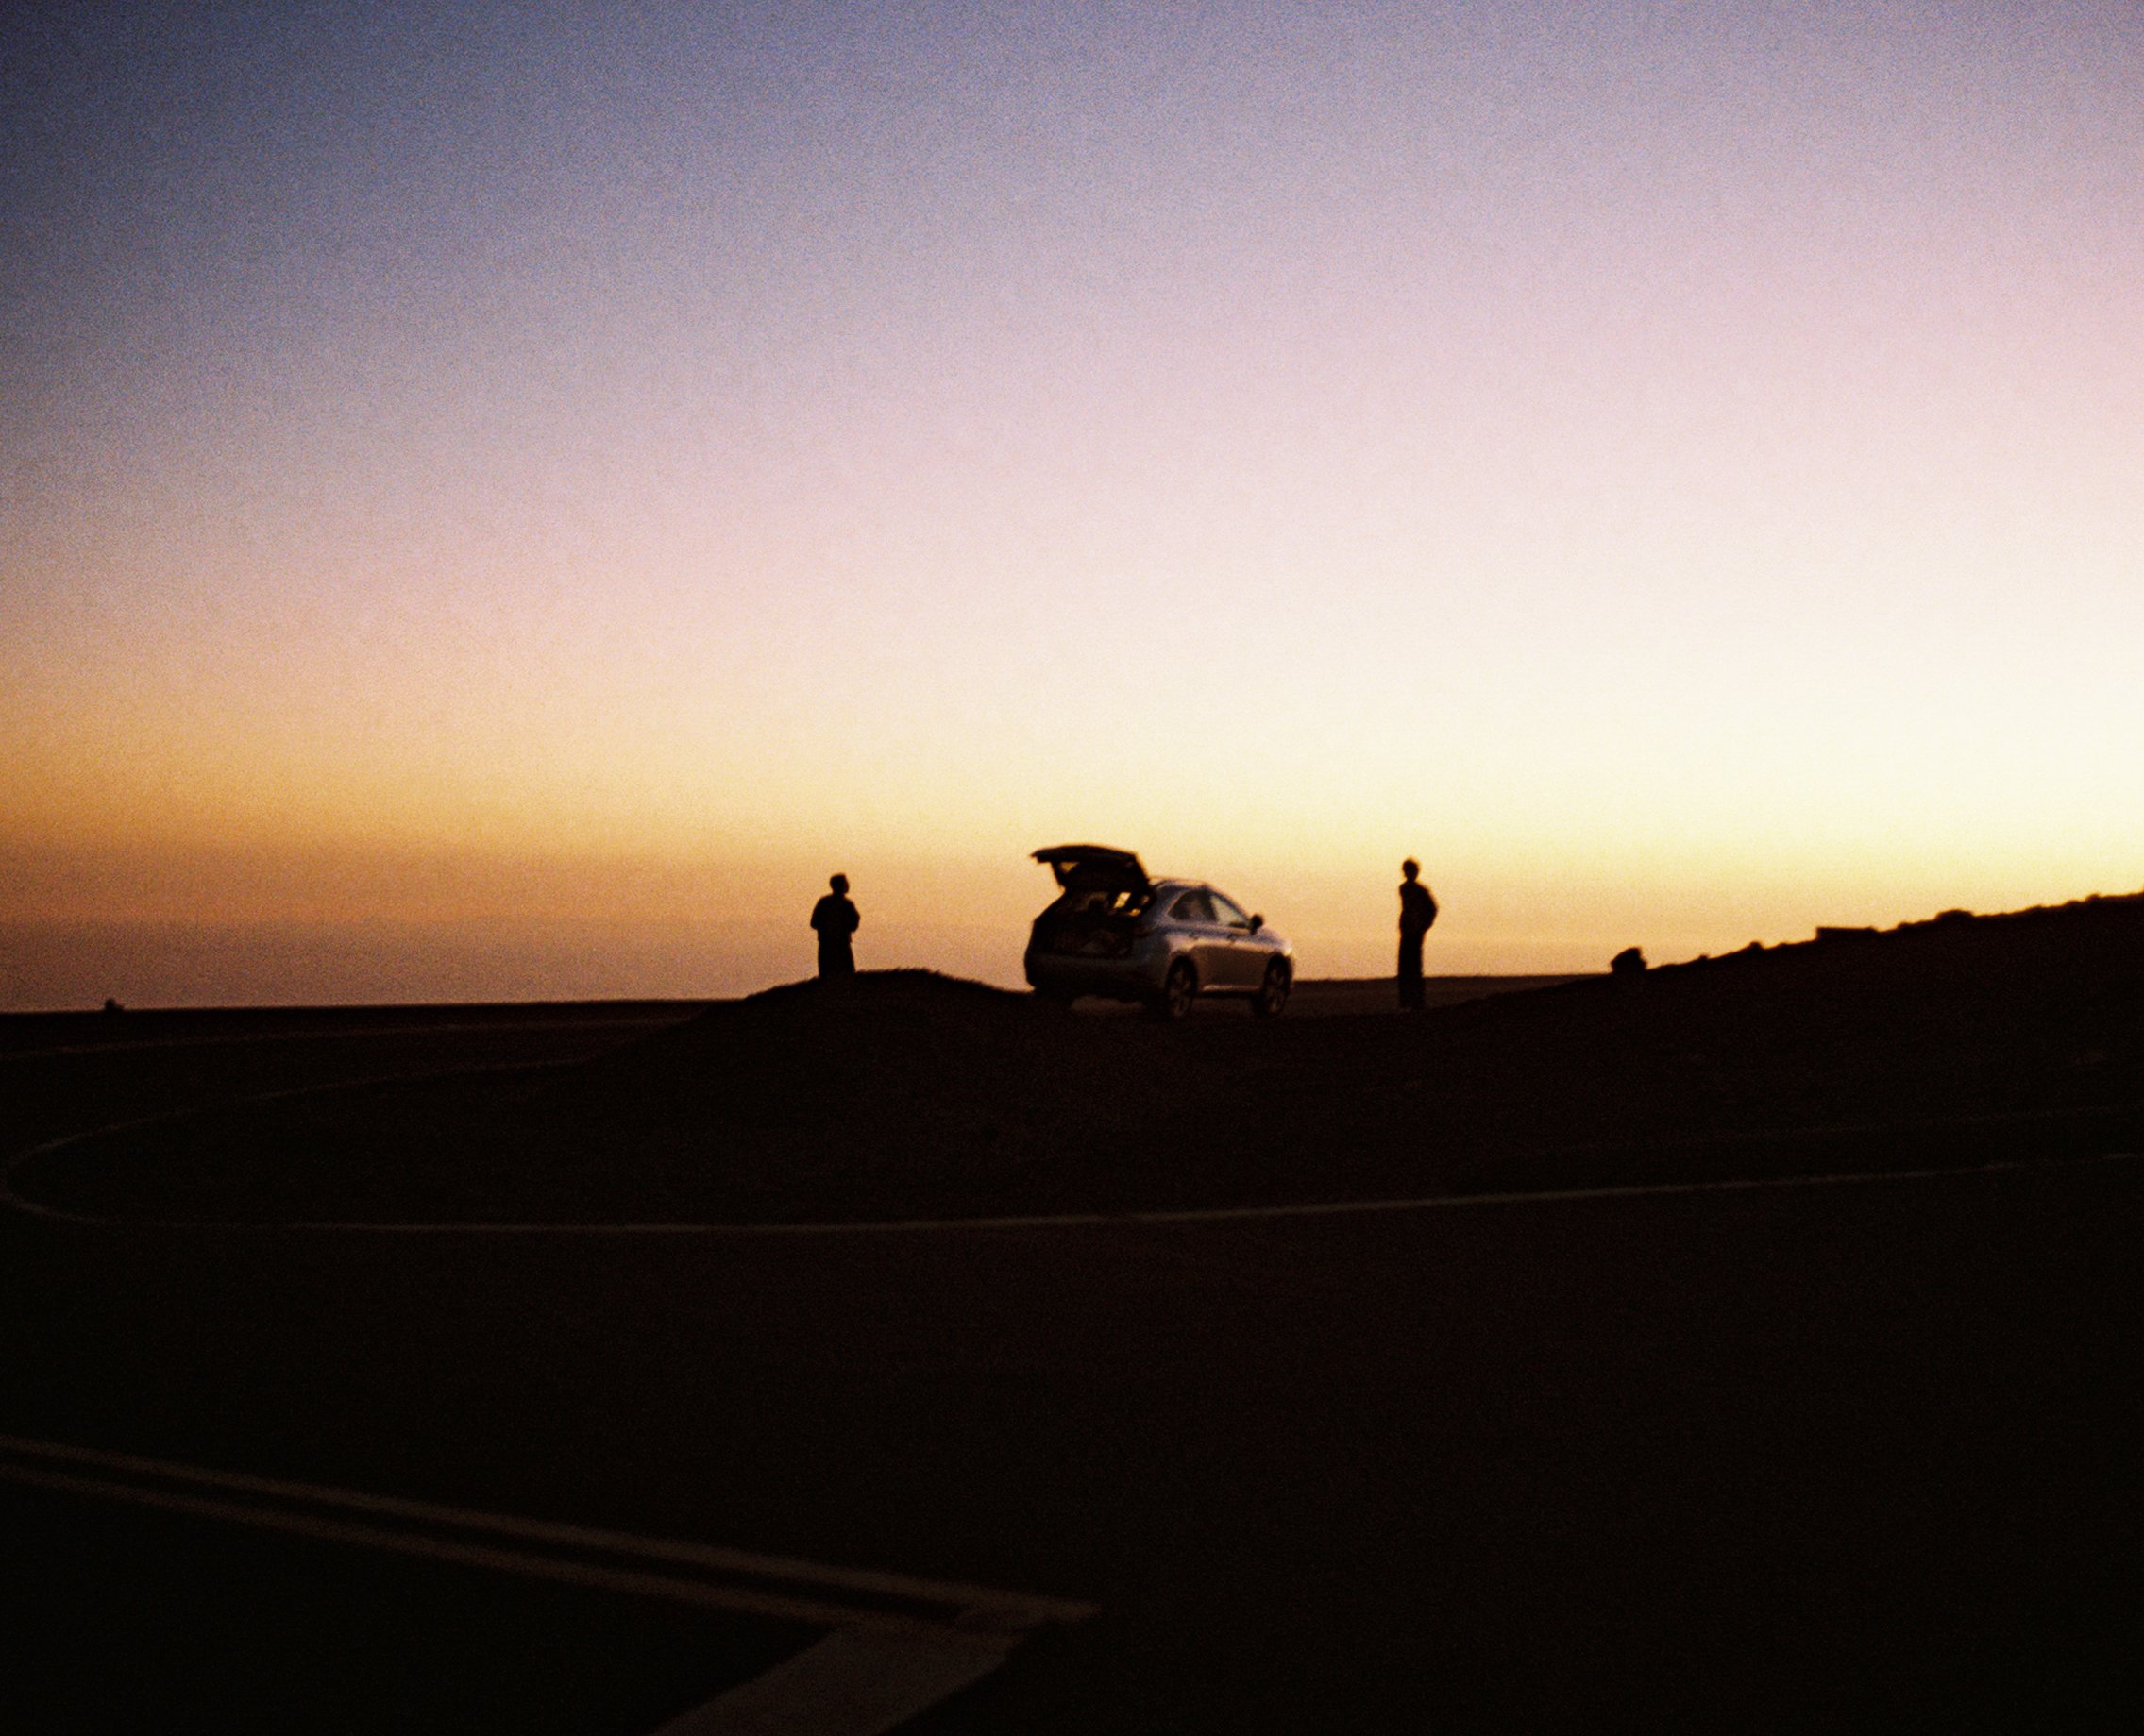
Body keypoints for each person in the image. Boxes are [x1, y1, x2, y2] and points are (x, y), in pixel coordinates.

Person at [1396, 858, 1438, 1010]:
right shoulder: (1405, 889)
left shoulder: (1419, 891)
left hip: (1414, 932)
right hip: (1408, 930)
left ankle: (1416, 1001)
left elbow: (1432, 909)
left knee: (1413, 966)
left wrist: (1423, 926)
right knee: (1405, 967)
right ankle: (1407, 1001)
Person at [810, 873, 860, 980]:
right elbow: (854, 923)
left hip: (829, 945)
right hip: (838, 945)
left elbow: (814, 923)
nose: (848, 885)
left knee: (829, 978)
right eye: (845, 883)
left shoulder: (825, 902)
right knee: (844, 977)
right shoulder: (846, 904)